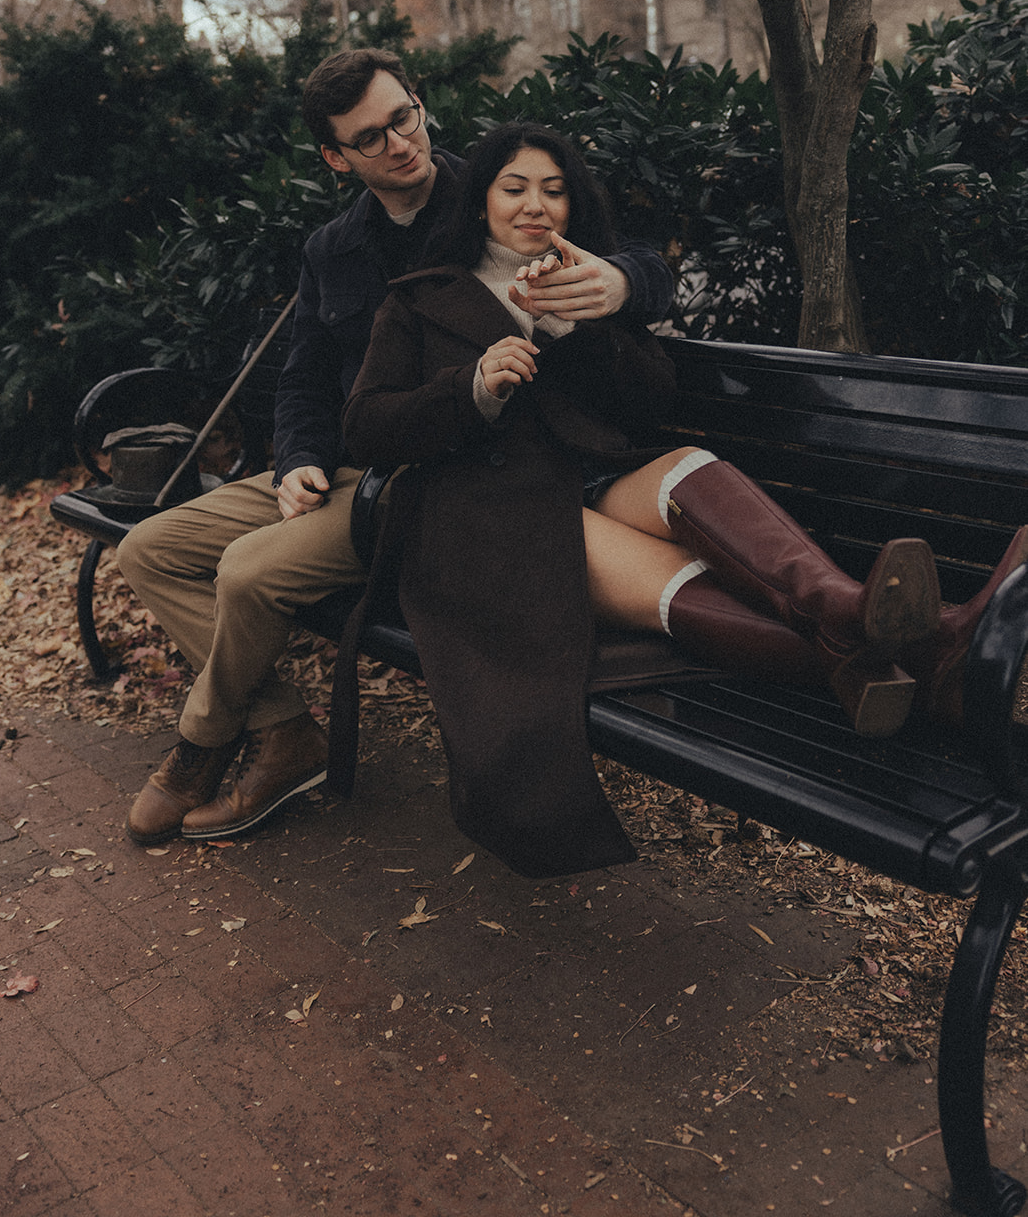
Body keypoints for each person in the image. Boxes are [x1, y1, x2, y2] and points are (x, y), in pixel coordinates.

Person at [341, 122, 1028, 879]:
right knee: (658, 568)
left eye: (554, 189)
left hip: (593, 480)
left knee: (686, 464)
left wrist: (588, 327)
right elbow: (367, 427)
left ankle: (847, 614)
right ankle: (934, 652)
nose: (535, 205)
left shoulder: (591, 282)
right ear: (480, 203)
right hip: (493, 519)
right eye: (514, 188)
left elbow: (646, 408)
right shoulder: (419, 299)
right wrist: (470, 387)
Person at [119, 53, 678, 847]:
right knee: (149, 549)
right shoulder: (333, 249)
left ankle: (200, 743)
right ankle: (283, 732)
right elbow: (304, 379)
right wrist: (296, 461)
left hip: (432, 472)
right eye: (369, 137)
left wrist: (620, 284)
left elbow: (634, 259)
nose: (398, 143)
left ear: (420, 105)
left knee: (247, 573)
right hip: (346, 458)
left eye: (403, 117)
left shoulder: (489, 195)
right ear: (335, 157)